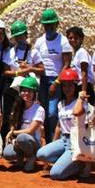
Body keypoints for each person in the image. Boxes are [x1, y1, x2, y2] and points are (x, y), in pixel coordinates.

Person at [36, 69, 88, 180]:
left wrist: (81, 97)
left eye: (70, 85)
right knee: (41, 154)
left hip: (75, 142)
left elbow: (76, 112)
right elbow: (59, 127)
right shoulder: (61, 104)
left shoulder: (81, 103)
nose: (67, 89)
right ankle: (66, 162)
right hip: (63, 140)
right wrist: (54, 143)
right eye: (64, 86)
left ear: (75, 86)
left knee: (56, 174)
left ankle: (80, 164)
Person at [33, 9, 72, 144]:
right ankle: (49, 143)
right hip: (43, 80)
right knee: (44, 114)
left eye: (51, 24)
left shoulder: (63, 41)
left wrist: (56, 83)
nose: (49, 28)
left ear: (57, 24)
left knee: (52, 113)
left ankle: (57, 143)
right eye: (46, 25)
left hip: (57, 80)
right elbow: (36, 62)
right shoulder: (39, 42)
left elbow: (67, 64)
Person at [2, 20, 44, 142]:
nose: (19, 39)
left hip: (27, 89)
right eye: (17, 37)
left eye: (21, 35)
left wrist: (29, 68)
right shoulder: (10, 52)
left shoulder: (33, 52)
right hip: (13, 87)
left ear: (26, 35)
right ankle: (7, 142)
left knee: (24, 114)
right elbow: (5, 72)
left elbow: (42, 70)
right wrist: (18, 73)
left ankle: (28, 141)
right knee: (9, 115)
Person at [3, 77, 45, 172]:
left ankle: (31, 157)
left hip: (33, 142)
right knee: (8, 154)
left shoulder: (39, 109)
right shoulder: (17, 106)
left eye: (30, 91)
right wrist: (13, 137)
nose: (26, 93)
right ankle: (21, 157)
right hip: (19, 139)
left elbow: (30, 131)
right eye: (24, 90)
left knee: (22, 138)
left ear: (34, 93)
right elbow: (13, 123)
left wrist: (13, 133)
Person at [65, 26, 95, 102]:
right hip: (77, 87)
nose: (73, 40)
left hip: (84, 87)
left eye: (75, 38)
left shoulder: (82, 52)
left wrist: (83, 92)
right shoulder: (75, 54)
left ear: (81, 39)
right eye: (70, 38)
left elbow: (84, 72)